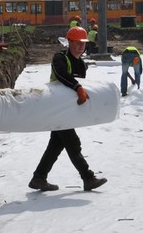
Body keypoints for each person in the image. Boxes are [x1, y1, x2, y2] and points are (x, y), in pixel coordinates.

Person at [29, 26, 107, 192]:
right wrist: (77, 87)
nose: (81, 46)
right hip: (55, 108)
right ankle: (88, 177)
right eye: (77, 43)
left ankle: (39, 177)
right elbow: (62, 75)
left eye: (83, 43)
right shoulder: (60, 58)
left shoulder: (82, 65)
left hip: (68, 111)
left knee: (56, 145)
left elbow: (84, 87)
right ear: (69, 42)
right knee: (72, 143)